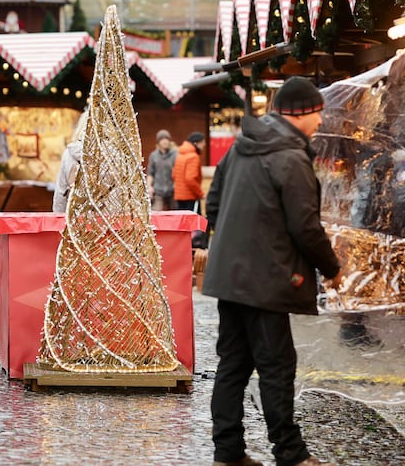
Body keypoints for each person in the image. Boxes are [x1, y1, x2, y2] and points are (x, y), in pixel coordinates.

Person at [203, 76, 342, 466]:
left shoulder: (240, 147)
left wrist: (233, 247)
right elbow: (306, 226)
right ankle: (292, 454)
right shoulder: (290, 156)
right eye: (317, 113)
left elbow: (213, 204)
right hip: (267, 279)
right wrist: (332, 268)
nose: (319, 121)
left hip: (231, 277)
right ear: (301, 112)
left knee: (233, 364)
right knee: (277, 367)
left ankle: (227, 452)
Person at [53, 111, 89, 213]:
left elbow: (60, 192)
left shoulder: (69, 154)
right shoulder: (114, 156)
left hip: (75, 217)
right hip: (106, 221)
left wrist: (58, 218)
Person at [172, 131, 205, 211]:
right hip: (190, 197)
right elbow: (190, 179)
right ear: (196, 143)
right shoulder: (193, 157)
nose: (204, 145)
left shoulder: (180, 155)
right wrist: (200, 193)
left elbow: (174, 175)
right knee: (193, 221)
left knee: (183, 221)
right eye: (203, 142)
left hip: (179, 196)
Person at [146, 130, 177, 211]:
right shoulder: (154, 155)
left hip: (173, 191)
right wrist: (149, 187)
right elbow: (150, 173)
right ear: (158, 141)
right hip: (158, 191)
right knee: (156, 213)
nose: (165, 141)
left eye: (167, 139)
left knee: (174, 214)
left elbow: (178, 171)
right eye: (162, 139)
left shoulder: (175, 154)